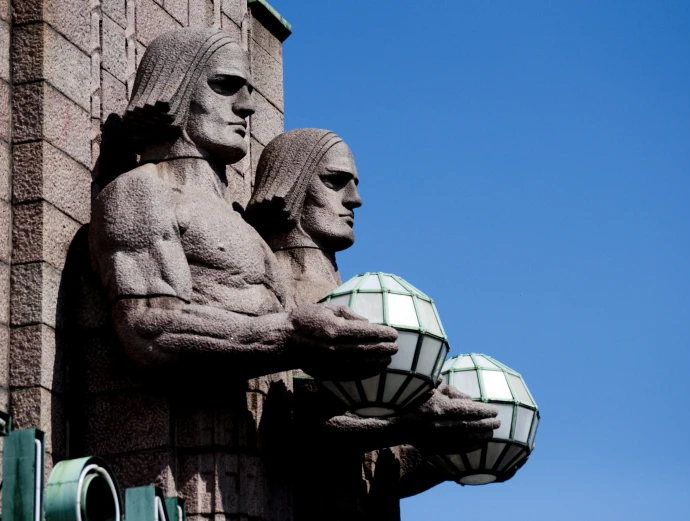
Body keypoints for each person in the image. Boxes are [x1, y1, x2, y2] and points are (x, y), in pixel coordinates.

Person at [87, 29, 397, 520]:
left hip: (264, 471)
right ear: (176, 87)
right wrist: (292, 332)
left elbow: (290, 394)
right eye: (226, 86)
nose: (247, 107)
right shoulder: (142, 192)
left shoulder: (243, 229)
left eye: (249, 91)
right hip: (187, 467)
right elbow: (149, 328)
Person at [246, 128, 502, 520]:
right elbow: (282, 426)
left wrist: (452, 449)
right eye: (335, 181)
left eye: (354, 185)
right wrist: (409, 422)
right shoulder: (268, 284)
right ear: (290, 181)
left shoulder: (363, 299)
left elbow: (380, 466)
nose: (354, 199)